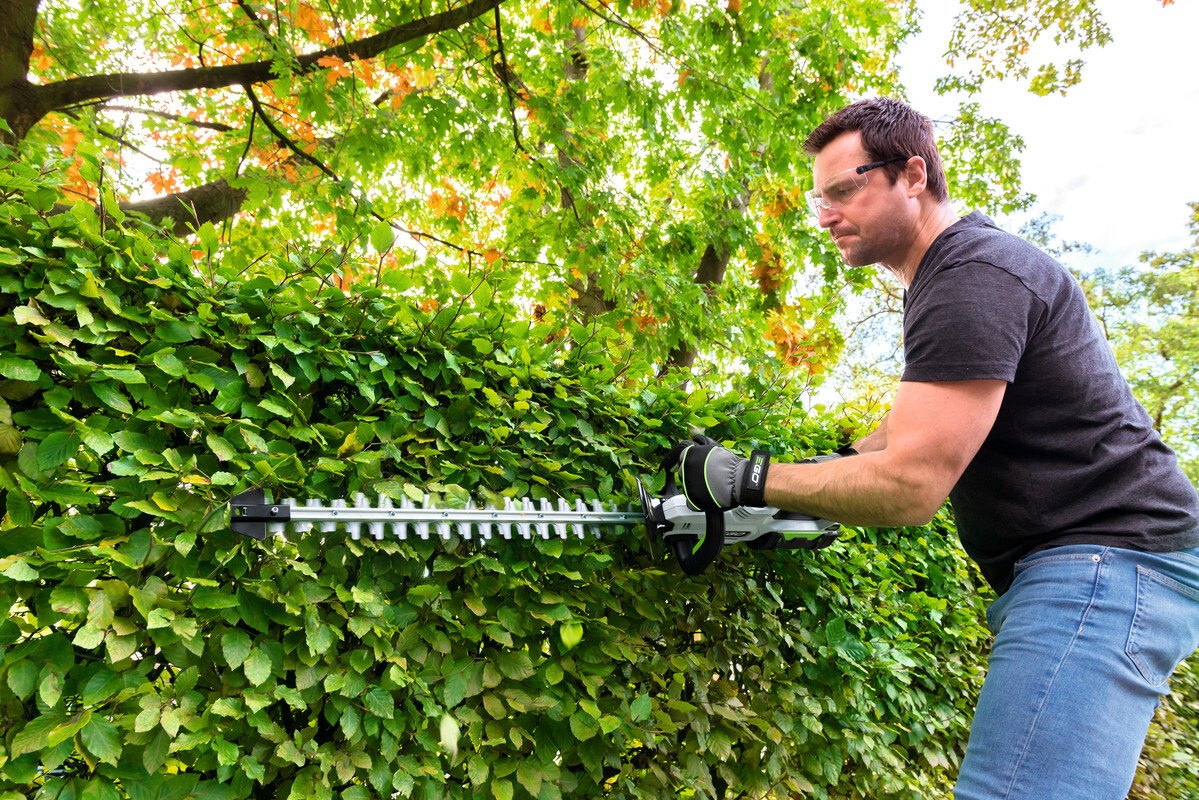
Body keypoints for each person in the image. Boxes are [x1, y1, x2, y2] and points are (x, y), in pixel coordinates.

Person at [670, 97, 1199, 799]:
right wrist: (815, 483)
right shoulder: (955, 277)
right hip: (1104, 563)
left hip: (1107, 561)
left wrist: (744, 479)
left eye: (843, 190)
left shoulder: (972, 275)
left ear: (913, 175)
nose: (825, 215)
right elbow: (902, 436)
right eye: (820, 199)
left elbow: (911, 485)